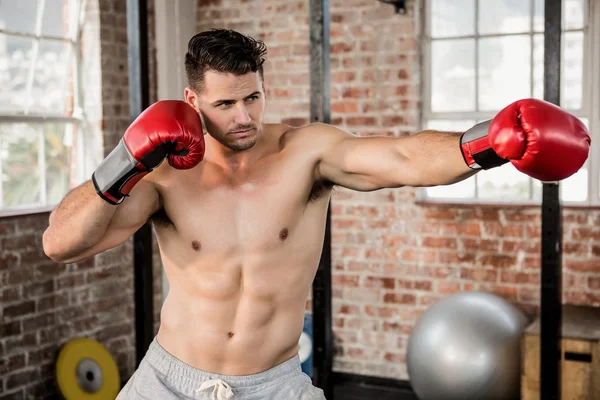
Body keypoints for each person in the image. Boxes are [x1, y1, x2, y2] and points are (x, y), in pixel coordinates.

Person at [42, 29, 590, 400]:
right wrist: (124, 160)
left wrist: (489, 143)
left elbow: (399, 157)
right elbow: (61, 243)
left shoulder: (303, 153)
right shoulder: (162, 174)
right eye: (225, 104)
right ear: (192, 98)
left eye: (253, 98)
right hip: (168, 378)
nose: (244, 117)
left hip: (275, 384)